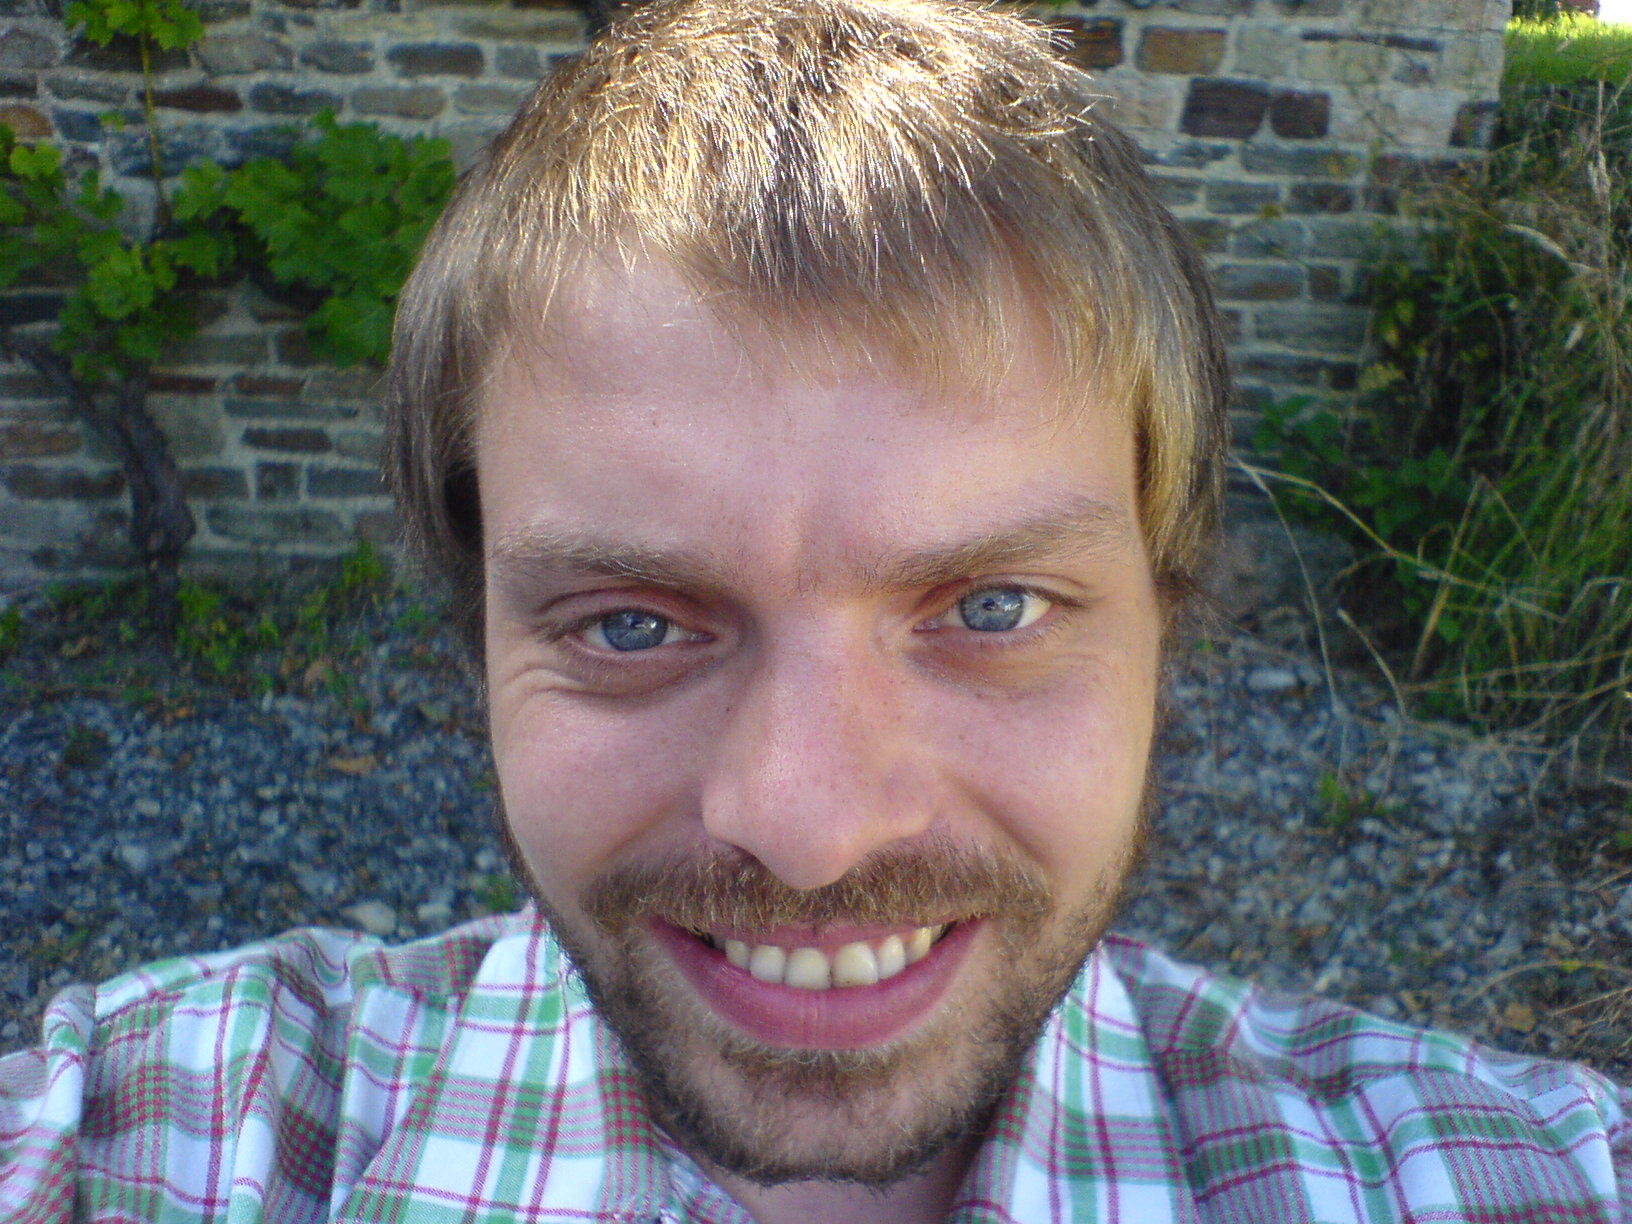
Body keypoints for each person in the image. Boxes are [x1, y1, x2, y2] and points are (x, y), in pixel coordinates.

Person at [3, 0, 1628, 1219]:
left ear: (1169, 618)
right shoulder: (153, 1139)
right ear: (480, 639)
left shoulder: (1520, 1175)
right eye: (632, 625)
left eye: (992, 605)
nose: (810, 831)